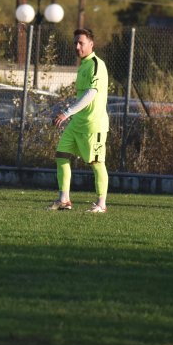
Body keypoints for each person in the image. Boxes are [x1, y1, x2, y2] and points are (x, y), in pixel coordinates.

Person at [49, 28, 110, 213]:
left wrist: (67, 113)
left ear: (91, 44)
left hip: (93, 124)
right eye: (75, 42)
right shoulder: (83, 65)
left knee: (96, 163)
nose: (77, 46)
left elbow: (92, 93)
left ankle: (101, 204)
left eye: (81, 43)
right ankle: (64, 200)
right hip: (77, 123)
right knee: (61, 154)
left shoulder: (96, 65)